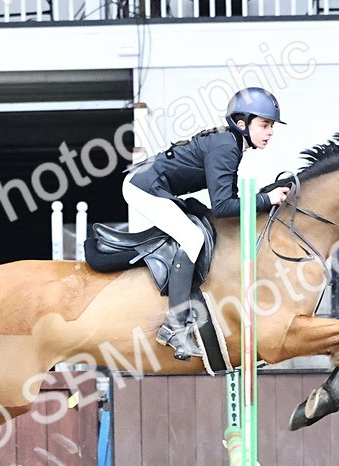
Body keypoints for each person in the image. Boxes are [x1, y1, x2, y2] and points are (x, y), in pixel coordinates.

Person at [123, 87, 291, 360]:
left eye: (271, 126)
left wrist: (265, 196)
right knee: (192, 238)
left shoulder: (232, 144)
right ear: (241, 124)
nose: (270, 132)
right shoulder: (226, 146)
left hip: (153, 185)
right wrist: (266, 198)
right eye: (264, 125)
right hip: (142, 187)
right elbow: (224, 207)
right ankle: (175, 327)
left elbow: (231, 198)